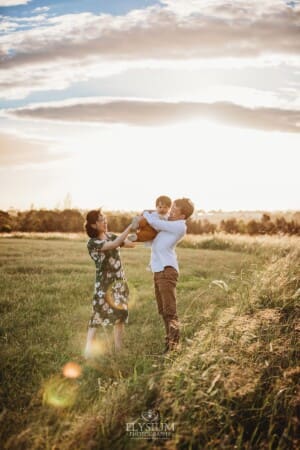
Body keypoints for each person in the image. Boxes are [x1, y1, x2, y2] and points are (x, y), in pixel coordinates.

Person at [142, 198, 194, 353]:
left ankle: (173, 347)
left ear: (182, 215)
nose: (170, 210)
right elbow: (151, 242)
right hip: (158, 271)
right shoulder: (169, 226)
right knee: (163, 311)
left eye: (174, 209)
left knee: (170, 311)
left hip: (167, 270)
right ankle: (170, 344)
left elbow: (156, 223)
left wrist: (146, 214)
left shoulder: (179, 227)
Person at [84, 209, 135, 358]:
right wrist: (129, 226)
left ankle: (119, 349)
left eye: (105, 219)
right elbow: (115, 244)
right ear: (93, 225)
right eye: (101, 220)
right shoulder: (93, 243)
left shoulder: (110, 235)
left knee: (120, 314)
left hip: (119, 282)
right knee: (98, 314)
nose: (105, 222)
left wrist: (144, 231)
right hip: (104, 284)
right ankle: (88, 349)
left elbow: (128, 243)